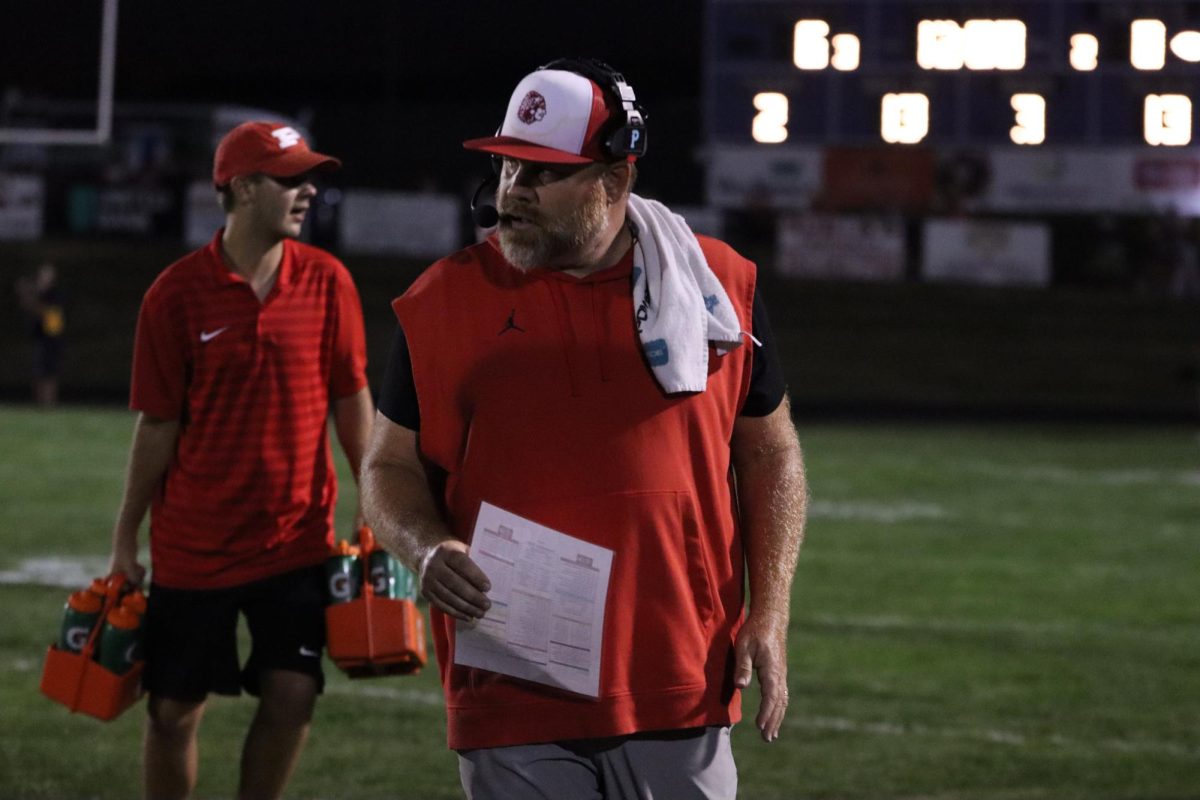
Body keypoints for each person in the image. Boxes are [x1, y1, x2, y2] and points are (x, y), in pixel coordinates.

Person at [362, 59, 808, 799]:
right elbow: (389, 467)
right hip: (510, 683)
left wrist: (772, 608)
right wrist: (426, 545)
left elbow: (770, 453)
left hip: (678, 678)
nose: (512, 192)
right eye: (507, 166)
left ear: (615, 178)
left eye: (541, 174)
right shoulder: (439, 303)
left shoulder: (718, 288)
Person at [106, 121, 373, 800]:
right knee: (171, 713)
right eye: (291, 178)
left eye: (310, 176)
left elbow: (351, 398)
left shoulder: (330, 281)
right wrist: (124, 537)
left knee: (293, 697)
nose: (309, 190)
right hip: (196, 545)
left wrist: (374, 504)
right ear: (245, 188)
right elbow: (157, 426)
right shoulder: (174, 295)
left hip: (296, 541)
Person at [15, 261, 65, 406]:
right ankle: (39, 402)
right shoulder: (38, 293)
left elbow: (50, 314)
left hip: (52, 338)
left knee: (50, 372)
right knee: (38, 371)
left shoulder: (56, 294)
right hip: (39, 338)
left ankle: (49, 402)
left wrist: (29, 297)